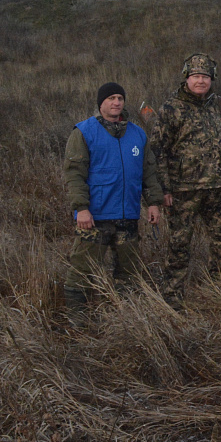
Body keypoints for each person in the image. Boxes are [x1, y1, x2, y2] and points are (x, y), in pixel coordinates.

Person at [62, 82, 164, 325]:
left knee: (128, 273)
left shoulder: (138, 134)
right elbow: (74, 174)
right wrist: (81, 208)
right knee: (82, 269)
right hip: (95, 217)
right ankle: (78, 322)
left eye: (120, 97)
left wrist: (153, 203)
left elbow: (149, 171)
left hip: (127, 215)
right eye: (111, 98)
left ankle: (126, 320)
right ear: (101, 103)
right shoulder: (84, 132)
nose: (116, 102)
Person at [150, 53, 221, 308]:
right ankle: (173, 297)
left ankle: (218, 290)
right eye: (196, 76)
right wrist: (164, 190)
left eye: (205, 77)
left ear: (212, 80)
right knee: (179, 245)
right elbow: (158, 152)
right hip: (183, 191)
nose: (201, 81)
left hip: (216, 189)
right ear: (187, 77)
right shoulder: (170, 108)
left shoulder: (218, 105)